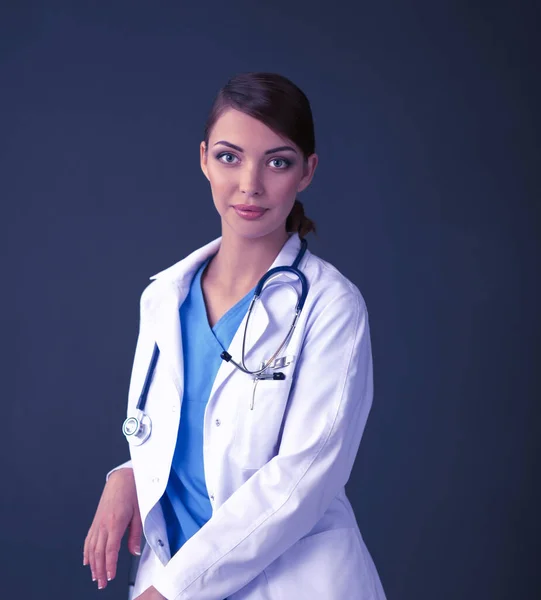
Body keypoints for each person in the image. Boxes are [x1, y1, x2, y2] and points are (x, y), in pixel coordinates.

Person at [83, 71, 387, 600]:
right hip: (170, 570)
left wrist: (176, 590)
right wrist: (128, 473)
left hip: (287, 582)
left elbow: (303, 478)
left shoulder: (331, 306)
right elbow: (188, 431)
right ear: (203, 159)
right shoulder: (164, 298)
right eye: (229, 157)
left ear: (307, 172)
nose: (250, 184)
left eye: (277, 161)